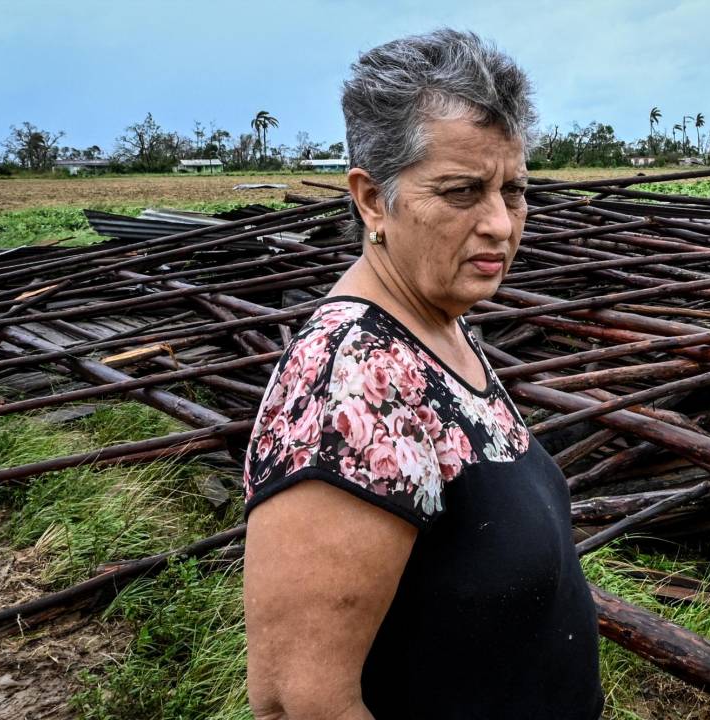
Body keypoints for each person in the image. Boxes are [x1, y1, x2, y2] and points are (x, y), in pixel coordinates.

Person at [242, 29, 604, 720]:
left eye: (514, 190)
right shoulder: (349, 386)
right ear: (373, 200)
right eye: (463, 192)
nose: (500, 223)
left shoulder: (437, 326)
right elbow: (299, 702)